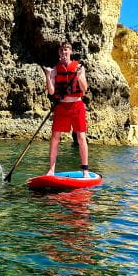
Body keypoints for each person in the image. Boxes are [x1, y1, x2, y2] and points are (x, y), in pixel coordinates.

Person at [43, 42, 90, 177]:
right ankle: (51, 169)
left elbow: (84, 89)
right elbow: (51, 92)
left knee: (81, 137)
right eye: (62, 50)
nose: (64, 52)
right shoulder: (55, 69)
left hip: (77, 105)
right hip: (61, 106)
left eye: (67, 50)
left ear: (71, 52)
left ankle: (85, 170)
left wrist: (80, 76)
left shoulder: (79, 67)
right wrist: (48, 75)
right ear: (59, 53)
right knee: (55, 138)